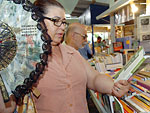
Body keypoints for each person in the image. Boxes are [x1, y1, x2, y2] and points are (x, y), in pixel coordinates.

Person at [0, 0, 130, 113]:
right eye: (56, 21)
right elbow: (7, 108)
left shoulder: (73, 53)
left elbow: (94, 78)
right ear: (36, 20)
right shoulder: (24, 62)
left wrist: (112, 87)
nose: (62, 27)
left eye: (64, 22)